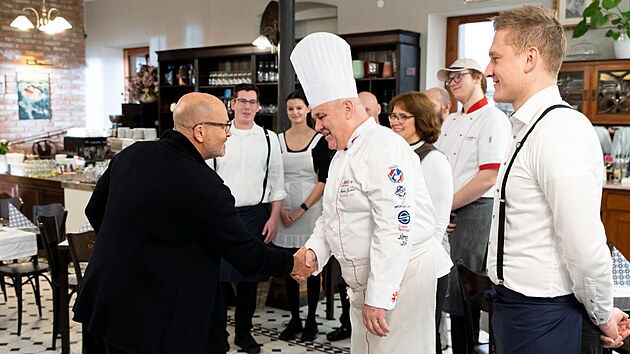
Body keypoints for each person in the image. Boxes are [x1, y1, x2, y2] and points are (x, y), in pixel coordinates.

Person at [72, 92, 300, 354]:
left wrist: (137, 249)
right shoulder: (205, 186)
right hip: (150, 319)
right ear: (200, 131)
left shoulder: (131, 155)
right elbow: (245, 254)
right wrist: (292, 262)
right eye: (224, 126)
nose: (229, 133)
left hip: (100, 303)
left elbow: (94, 211)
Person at [290, 31, 450, 353]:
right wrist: (315, 252)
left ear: (349, 107)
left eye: (321, 116)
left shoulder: (385, 148)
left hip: (402, 280)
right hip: (367, 283)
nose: (317, 126)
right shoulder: (341, 153)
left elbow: (396, 226)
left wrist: (380, 296)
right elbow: (331, 216)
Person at [485, 6, 630, 353]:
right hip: (515, 309)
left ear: (530, 59)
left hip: (542, 316)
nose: (489, 70)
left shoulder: (560, 131)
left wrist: (600, 314)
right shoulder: (527, 127)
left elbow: (583, 244)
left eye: (495, 58)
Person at [434, 57, 511, 354]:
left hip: (475, 210)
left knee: (465, 290)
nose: (452, 83)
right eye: (449, 79)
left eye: (458, 77)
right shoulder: (451, 120)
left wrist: (446, 207)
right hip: (449, 211)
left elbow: (488, 177)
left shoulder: (493, 118)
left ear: (478, 77)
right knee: (448, 288)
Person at [210, 83, 286, 353]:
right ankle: (217, 334)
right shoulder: (220, 134)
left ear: (258, 106)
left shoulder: (269, 138)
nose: (246, 107)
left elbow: (277, 181)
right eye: (242, 101)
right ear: (232, 104)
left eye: (252, 102)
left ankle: (244, 333)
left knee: (248, 278)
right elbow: (206, 176)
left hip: (255, 214)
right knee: (217, 278)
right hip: (221, 213)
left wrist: (273, 217)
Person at [389, 91, 454, 354]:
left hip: (425, 265)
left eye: (403, 116)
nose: (395, 121)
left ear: (422, 120)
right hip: (398, 261)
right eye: (393, 114)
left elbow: (438, 223)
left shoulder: (433, 159)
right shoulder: (395, 153)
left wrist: (413, 261)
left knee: (425, 339)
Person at [273, 90, 333, 342]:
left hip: (309, 211)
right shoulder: (276, 140)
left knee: (310, 266)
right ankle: (295, 319)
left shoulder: (319, 140)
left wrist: (300, 210)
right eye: (290, 109)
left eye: (299, 108)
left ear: (308, 109)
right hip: (282, 210)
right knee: (289, 265)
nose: (295, 113)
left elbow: (323, 180)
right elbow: (273, 176)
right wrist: (280, 211)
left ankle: (311, 320)